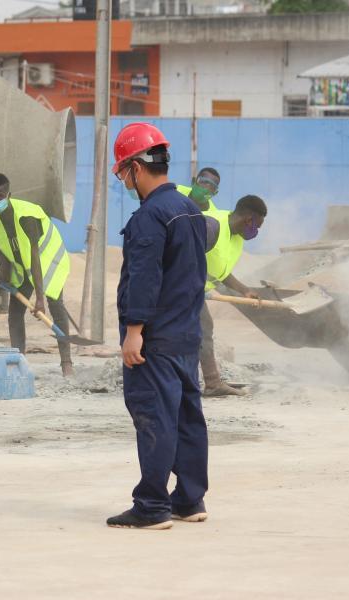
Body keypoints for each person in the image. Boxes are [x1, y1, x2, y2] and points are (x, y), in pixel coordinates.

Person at [107, 122, 209, 530]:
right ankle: (189, 499)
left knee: (155, 417)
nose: (124, 182)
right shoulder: (190, 211)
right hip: (186, 336)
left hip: (156, 341)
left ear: (135, 166)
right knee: (187, 417)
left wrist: (134, 331)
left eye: (122, 172)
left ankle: (151, 505)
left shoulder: (150, 217)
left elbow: (145, 279)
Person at [0, 173, 74, 377]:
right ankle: (19, 360)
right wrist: (4, 275)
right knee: (15, 312)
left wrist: (40, 299)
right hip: (22, 265)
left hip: (47, 261)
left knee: (56, 306)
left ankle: (66, 363)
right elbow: (3, 245)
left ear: (9, 194)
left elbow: (35, 257)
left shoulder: (26, 216)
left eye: (0, 197)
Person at [201, 195, 268, 397]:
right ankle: (208, 383)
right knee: (198, 330)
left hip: (194, 288)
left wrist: (243, 289)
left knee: (202, 329)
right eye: (257, 226)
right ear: (249, 220)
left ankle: (211, 383)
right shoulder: (211, 226)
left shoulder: (235, 237)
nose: (256, 232)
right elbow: (179, 255)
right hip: (179, 286)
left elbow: (221, 272)